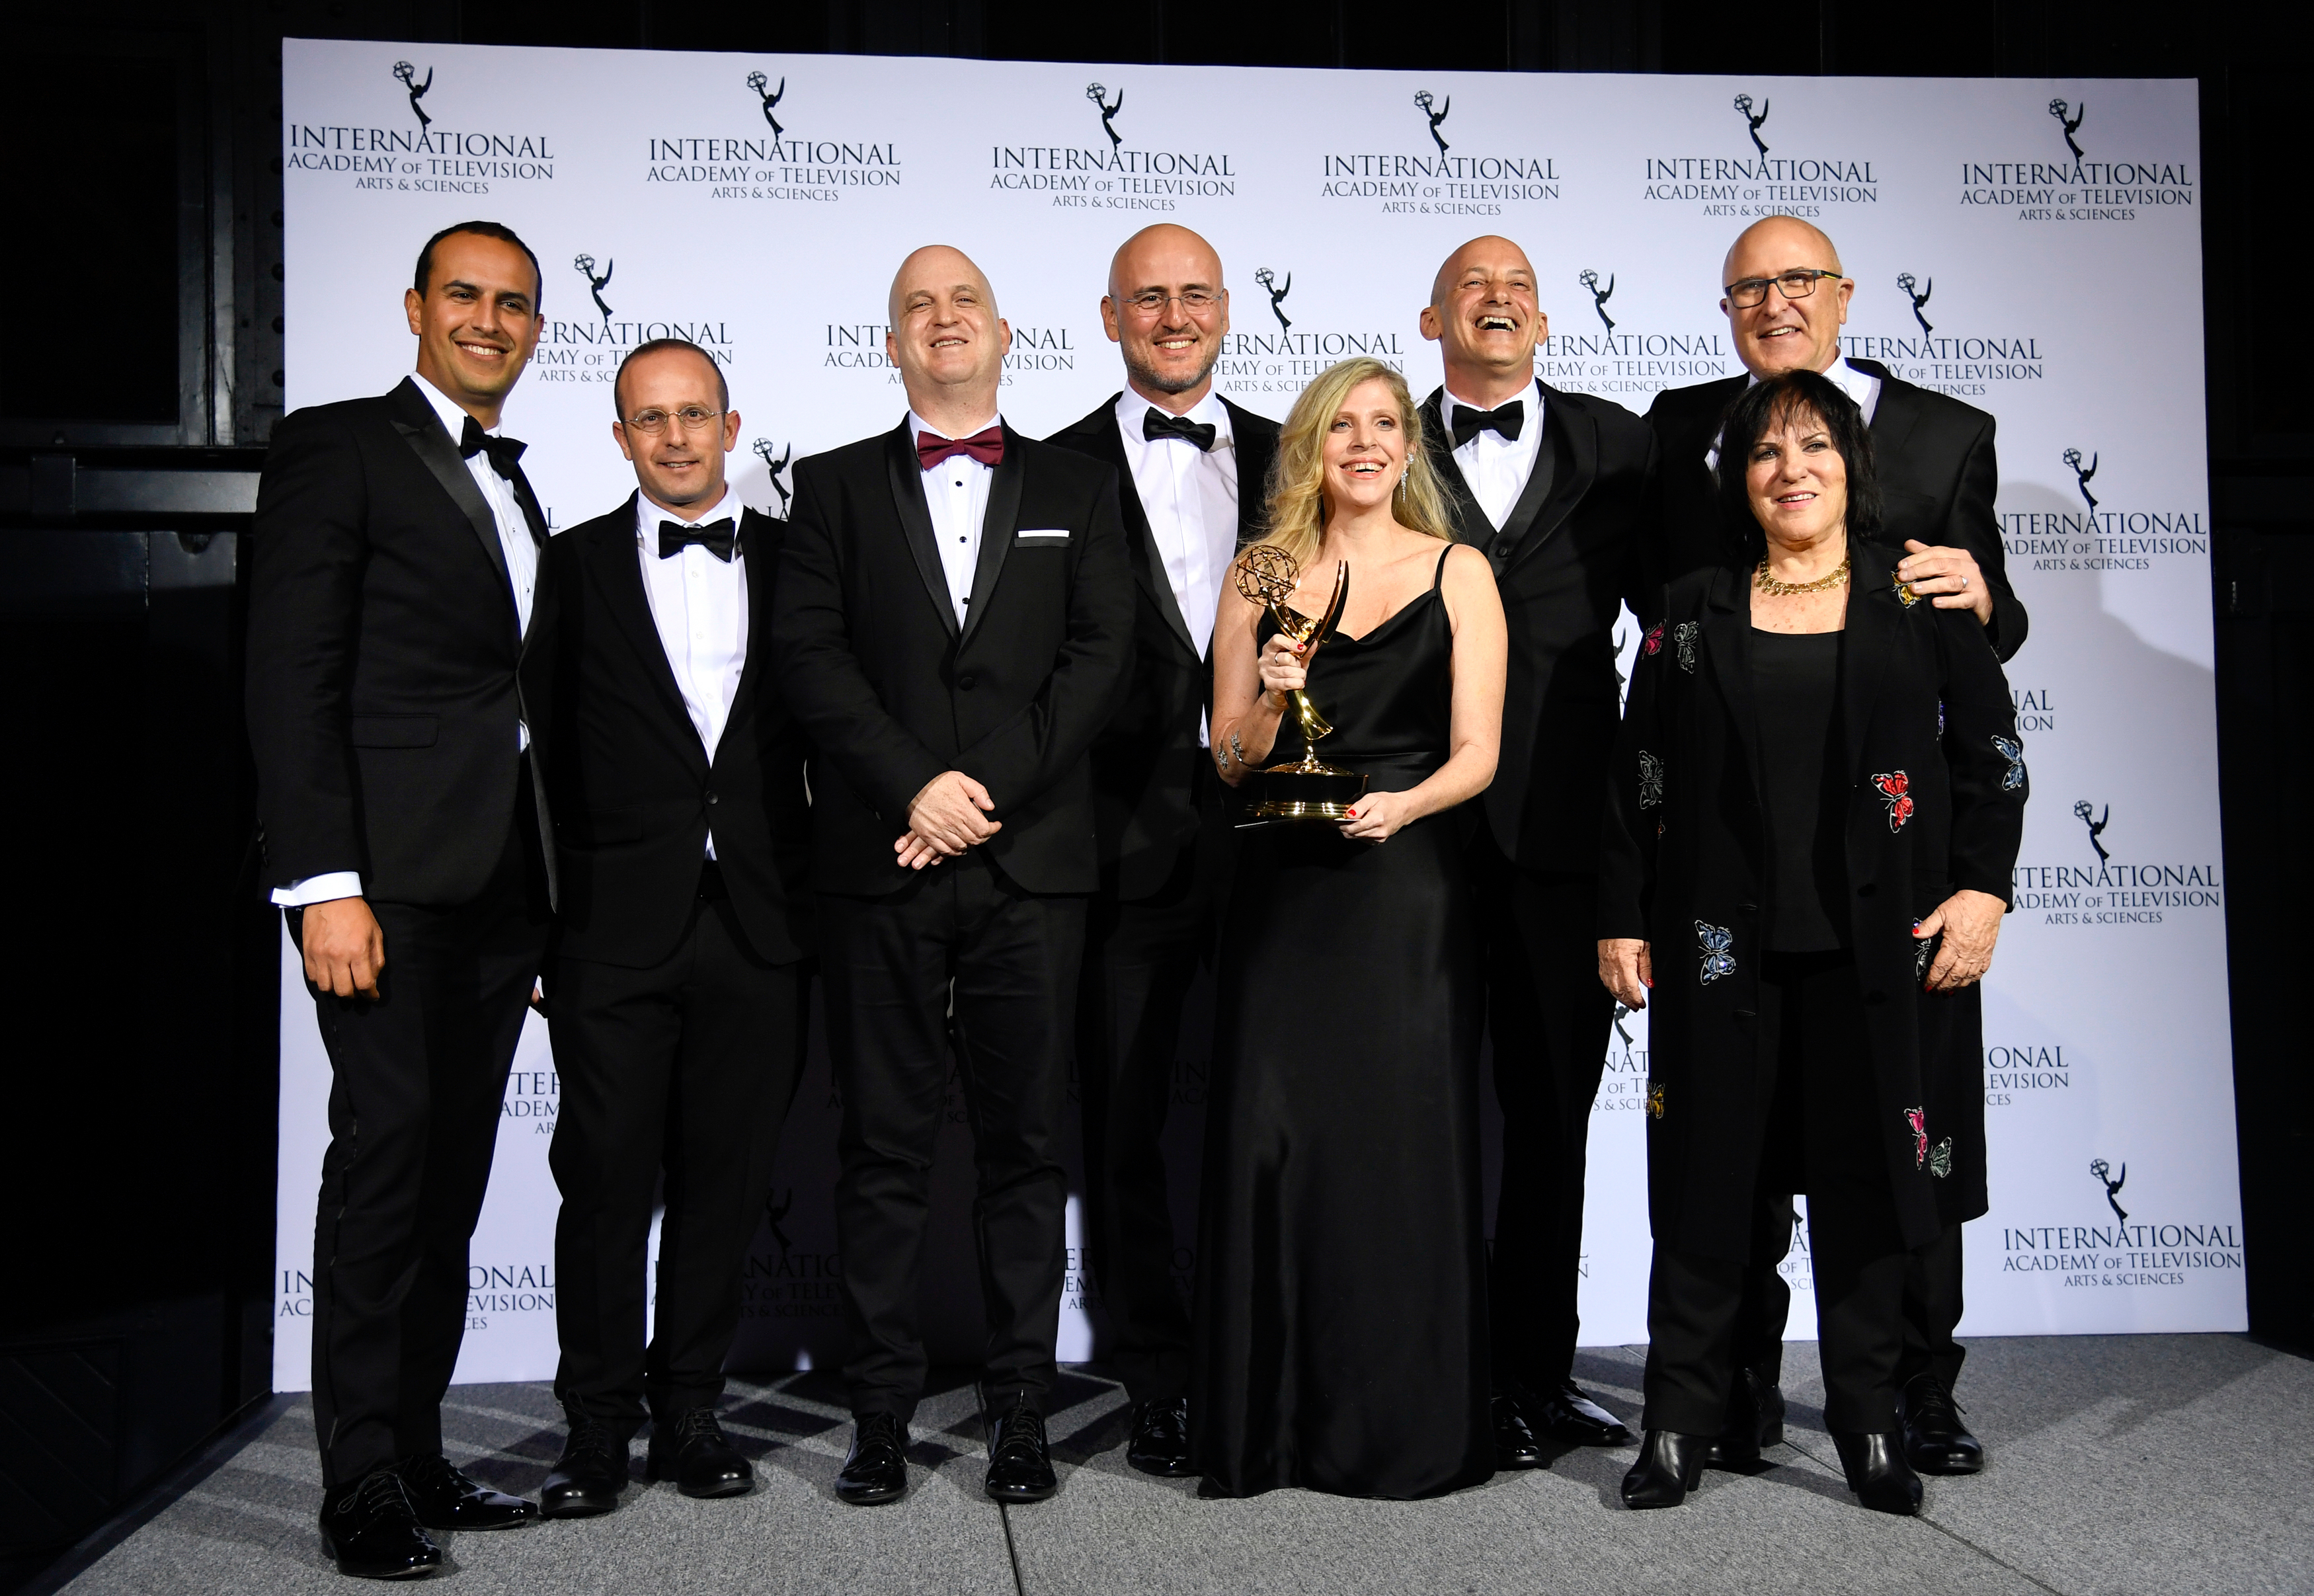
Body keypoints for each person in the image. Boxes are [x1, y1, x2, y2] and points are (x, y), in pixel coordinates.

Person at [1599, 370, 2027, 1516]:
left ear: (1854, 468)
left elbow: (1995, 760)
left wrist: (1985, 892)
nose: (1792, 470)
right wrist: (1622, 913)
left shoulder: (1921, 599)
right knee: (1705, 1195)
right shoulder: (1688, 609)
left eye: (1816, 447)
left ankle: (1872, 1426)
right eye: (1766, 453)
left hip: (1886, 959)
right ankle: (1677, 1427)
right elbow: (1635, 782)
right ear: (1740, 480)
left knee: (1869, 1197)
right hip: (1716, 954)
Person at [770, 246, 1134, 1508]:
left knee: (1027, 1149)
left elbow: (1101, 660)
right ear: (890, 343)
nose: (942, 321)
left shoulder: (1085, 487)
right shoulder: (824, 491)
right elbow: (809, 661)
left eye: (963, 301)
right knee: (878, 1147)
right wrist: (912, 787)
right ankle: (879, 1413)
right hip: (880, 865)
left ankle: (1020, 1409)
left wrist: (977, 794)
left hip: (1032, 869)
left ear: (1006, 333)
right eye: (917, 306)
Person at [246, 221, 553, 1578]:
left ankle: (417, 1450)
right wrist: (324, 883)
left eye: (514, 304)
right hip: (380, 885)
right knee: (384, 1170)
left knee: (446, 1181)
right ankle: (359, 1481)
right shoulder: (338, 445)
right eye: (467, 297)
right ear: (417, 307)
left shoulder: (519, 483)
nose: (490, 321)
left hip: (501, 890)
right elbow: (290, 675)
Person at [1194, 356, 1507, 1499]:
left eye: (1386, 425)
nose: (1365, 444)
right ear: (1310, 447)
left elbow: (1480, 750)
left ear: (1410, 446)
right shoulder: (1262, 571)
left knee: (1400, 1151)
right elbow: (1230, 757)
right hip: (1285, 892)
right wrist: (1276, 693)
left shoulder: (1460, 570)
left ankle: (1407, 1430)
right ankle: (1271, 1430)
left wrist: (1405, 804)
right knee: (1281, 1141)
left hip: (1407, 886)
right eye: (1343, 427)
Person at [519, 339, 813, 1517]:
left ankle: (691, 1408)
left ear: (733, 427)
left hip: (761, 921)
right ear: (620, 436)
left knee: (725, 1180)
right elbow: (530, 757)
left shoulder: (805, 563)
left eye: (696, 415)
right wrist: (538, 929)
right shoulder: (571, 566)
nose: (677, 438)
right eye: (652, 419)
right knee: (600, 1180)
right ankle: (595, 1425)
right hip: (606, 928)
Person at [1414, 235, 1659, 1462]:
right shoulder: (1378, 440)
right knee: (1415, 1117)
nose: (1496, 302)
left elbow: (1689, 620)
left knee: (1551, 1117)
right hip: (1407, 844)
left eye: (1517, 289)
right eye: (1473, 287)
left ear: (1546, 321)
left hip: (1571, 842)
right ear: (1430, 319)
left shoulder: (1624, 447)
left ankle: (1538, 1374)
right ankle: (1422, 1367)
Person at [1044, 224, 1280, 1478]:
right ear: (1110, 315)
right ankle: (1159, 1374)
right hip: (1114, 846)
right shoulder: (1053, 467)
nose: (1174, 316)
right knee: (1126, 1119)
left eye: (1195, 295)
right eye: (1150, 298)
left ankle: (1277, 1352)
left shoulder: (1305, 453)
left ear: (1228, 308)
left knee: (1276, 1110)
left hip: (1286, 849)